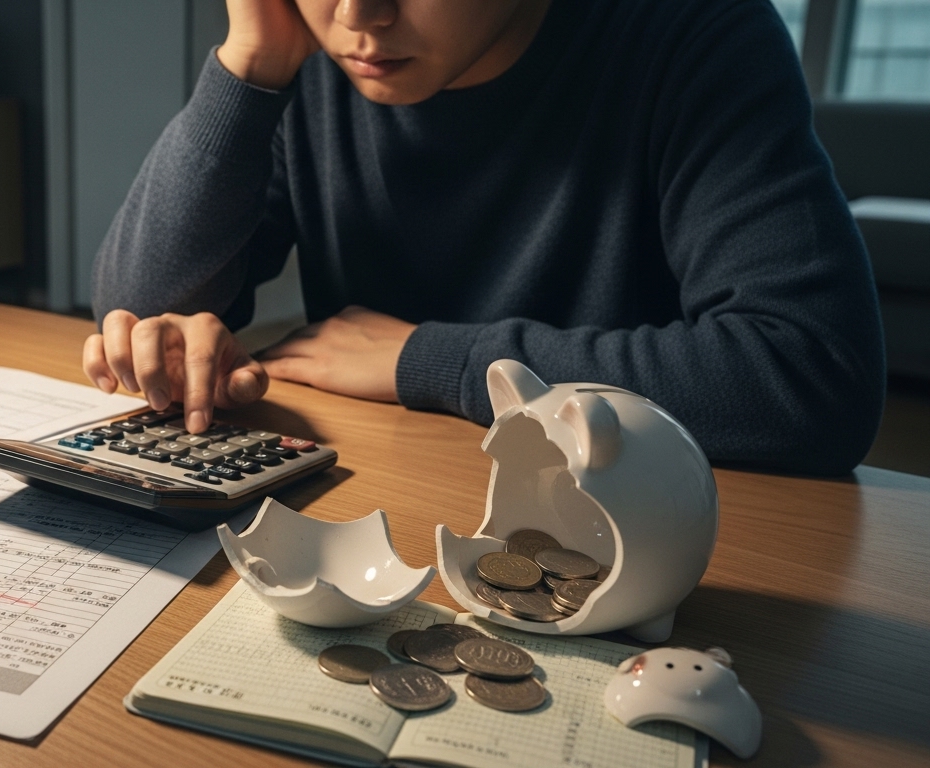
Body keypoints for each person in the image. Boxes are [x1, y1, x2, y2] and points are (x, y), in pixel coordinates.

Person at [83, 0, 885, 476]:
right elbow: (138, 314)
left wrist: (435, 362)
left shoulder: (692, 32)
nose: (358, 17)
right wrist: (250, 62)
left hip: (626, 522)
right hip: (381, 502)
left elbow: (810, 379)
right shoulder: (311, 46)